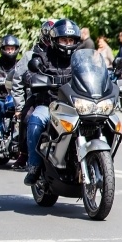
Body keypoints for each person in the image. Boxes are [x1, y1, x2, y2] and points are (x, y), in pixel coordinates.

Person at [21, 18, 81, 185]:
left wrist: (108, 76)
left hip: (76, 105)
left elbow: (93, 70)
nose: (68, 43)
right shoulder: (43, 56)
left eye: (71, 40)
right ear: (55, 40)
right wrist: (35, 79)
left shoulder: (79, 57)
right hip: (50, 105)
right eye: (64, 40)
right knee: (35, 120)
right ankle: (34, 165)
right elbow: (29, 74)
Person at [10, 19, 54, 169]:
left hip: (62, 97)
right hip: (36, 97)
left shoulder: (65, 55)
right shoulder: (31, 55)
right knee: (27, 117)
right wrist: (19, 107)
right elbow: (17, 80)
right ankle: (24, 154)